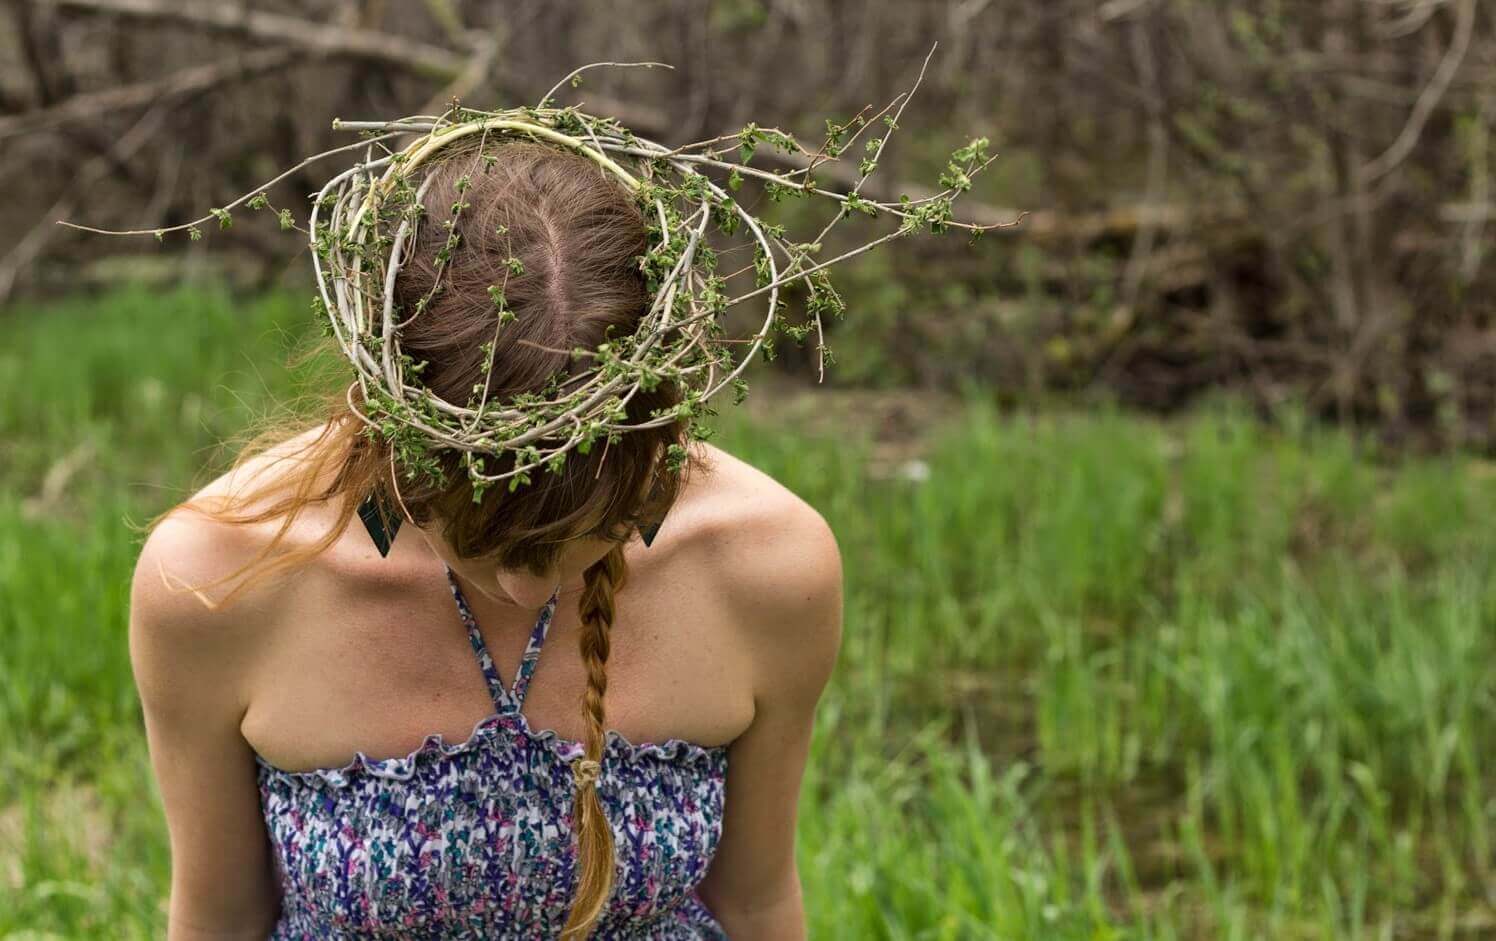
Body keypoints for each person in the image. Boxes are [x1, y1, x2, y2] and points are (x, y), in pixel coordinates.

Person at [127, 140, 843, 939]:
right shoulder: (218, 576)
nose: (530, 591)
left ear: (659, 437)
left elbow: (755, 901)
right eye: (481, 534)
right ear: (393, 429)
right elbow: (219, 918)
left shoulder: (769, 565)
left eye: (586, 532)